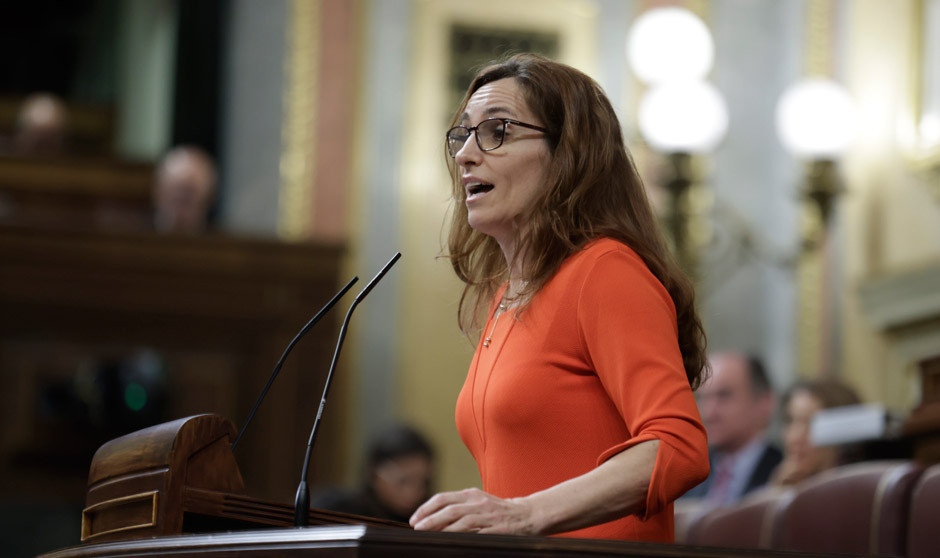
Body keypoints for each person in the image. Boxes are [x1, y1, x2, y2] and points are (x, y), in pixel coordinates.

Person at [408, 53, 709, 541]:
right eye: (463, 133)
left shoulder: (604, 271)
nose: (465, 153)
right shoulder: (506, 296)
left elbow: (679, 445)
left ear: (568, 155)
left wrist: (523, 515)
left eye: (497, 130)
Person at [683, 352, 781, 506]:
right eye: (703, 398)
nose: (710, 412)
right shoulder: (685, 476)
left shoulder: (785, 473)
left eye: (724, 395)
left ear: (764, 402)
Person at [312, 425, 434, 523]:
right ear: (375, 473)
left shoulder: (426, 520)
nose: (412, 492)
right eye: (403, 481)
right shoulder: (336, 509)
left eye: (423, 482)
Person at [771, 379, 861, 486]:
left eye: (812, 424)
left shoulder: (860, 495)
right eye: (790, 421)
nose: (794, 437)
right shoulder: (776, 492)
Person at [152, 145, 217, 233]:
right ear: (158, 192)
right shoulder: (135, 237)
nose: (181, 211)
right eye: (176, 198)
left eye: (188, 198)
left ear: (209, 198)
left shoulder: (224, 243)